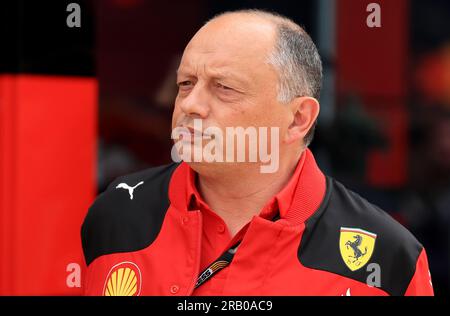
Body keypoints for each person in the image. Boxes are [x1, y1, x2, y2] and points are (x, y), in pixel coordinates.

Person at [81, 9, 434, 296]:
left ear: (298, 118)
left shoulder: (388, 256)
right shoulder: (116, 214)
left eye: (224, 88)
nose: (190, 104)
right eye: (186, 83)